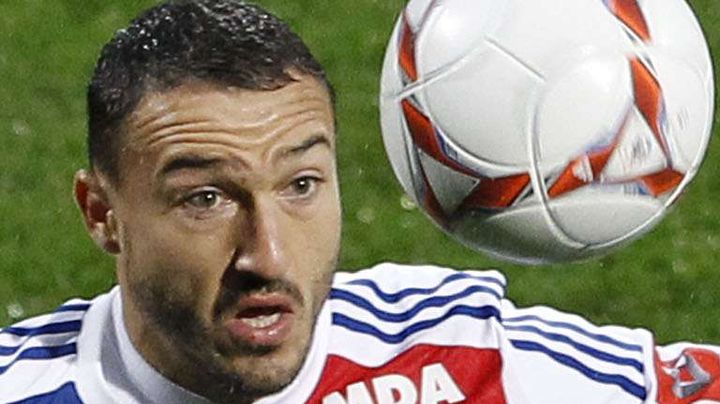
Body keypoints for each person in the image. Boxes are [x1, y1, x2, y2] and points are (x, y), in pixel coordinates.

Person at [1, 1, 718, 403]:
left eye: (302, 185)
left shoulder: (455, 354)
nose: (269, 255)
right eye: (207, 198)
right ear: (103, 215)